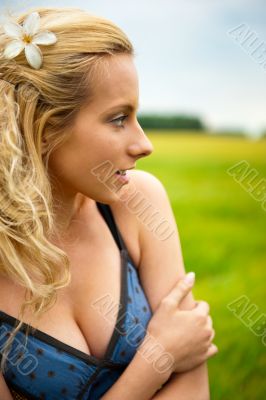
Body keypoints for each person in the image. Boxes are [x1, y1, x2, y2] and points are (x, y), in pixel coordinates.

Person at [0, 6, 218, 400]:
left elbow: (193, 386)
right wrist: (158, 359)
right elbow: (177, 355)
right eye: (118, 119)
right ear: (44, 127)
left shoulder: (138, 203)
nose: (144, 144)